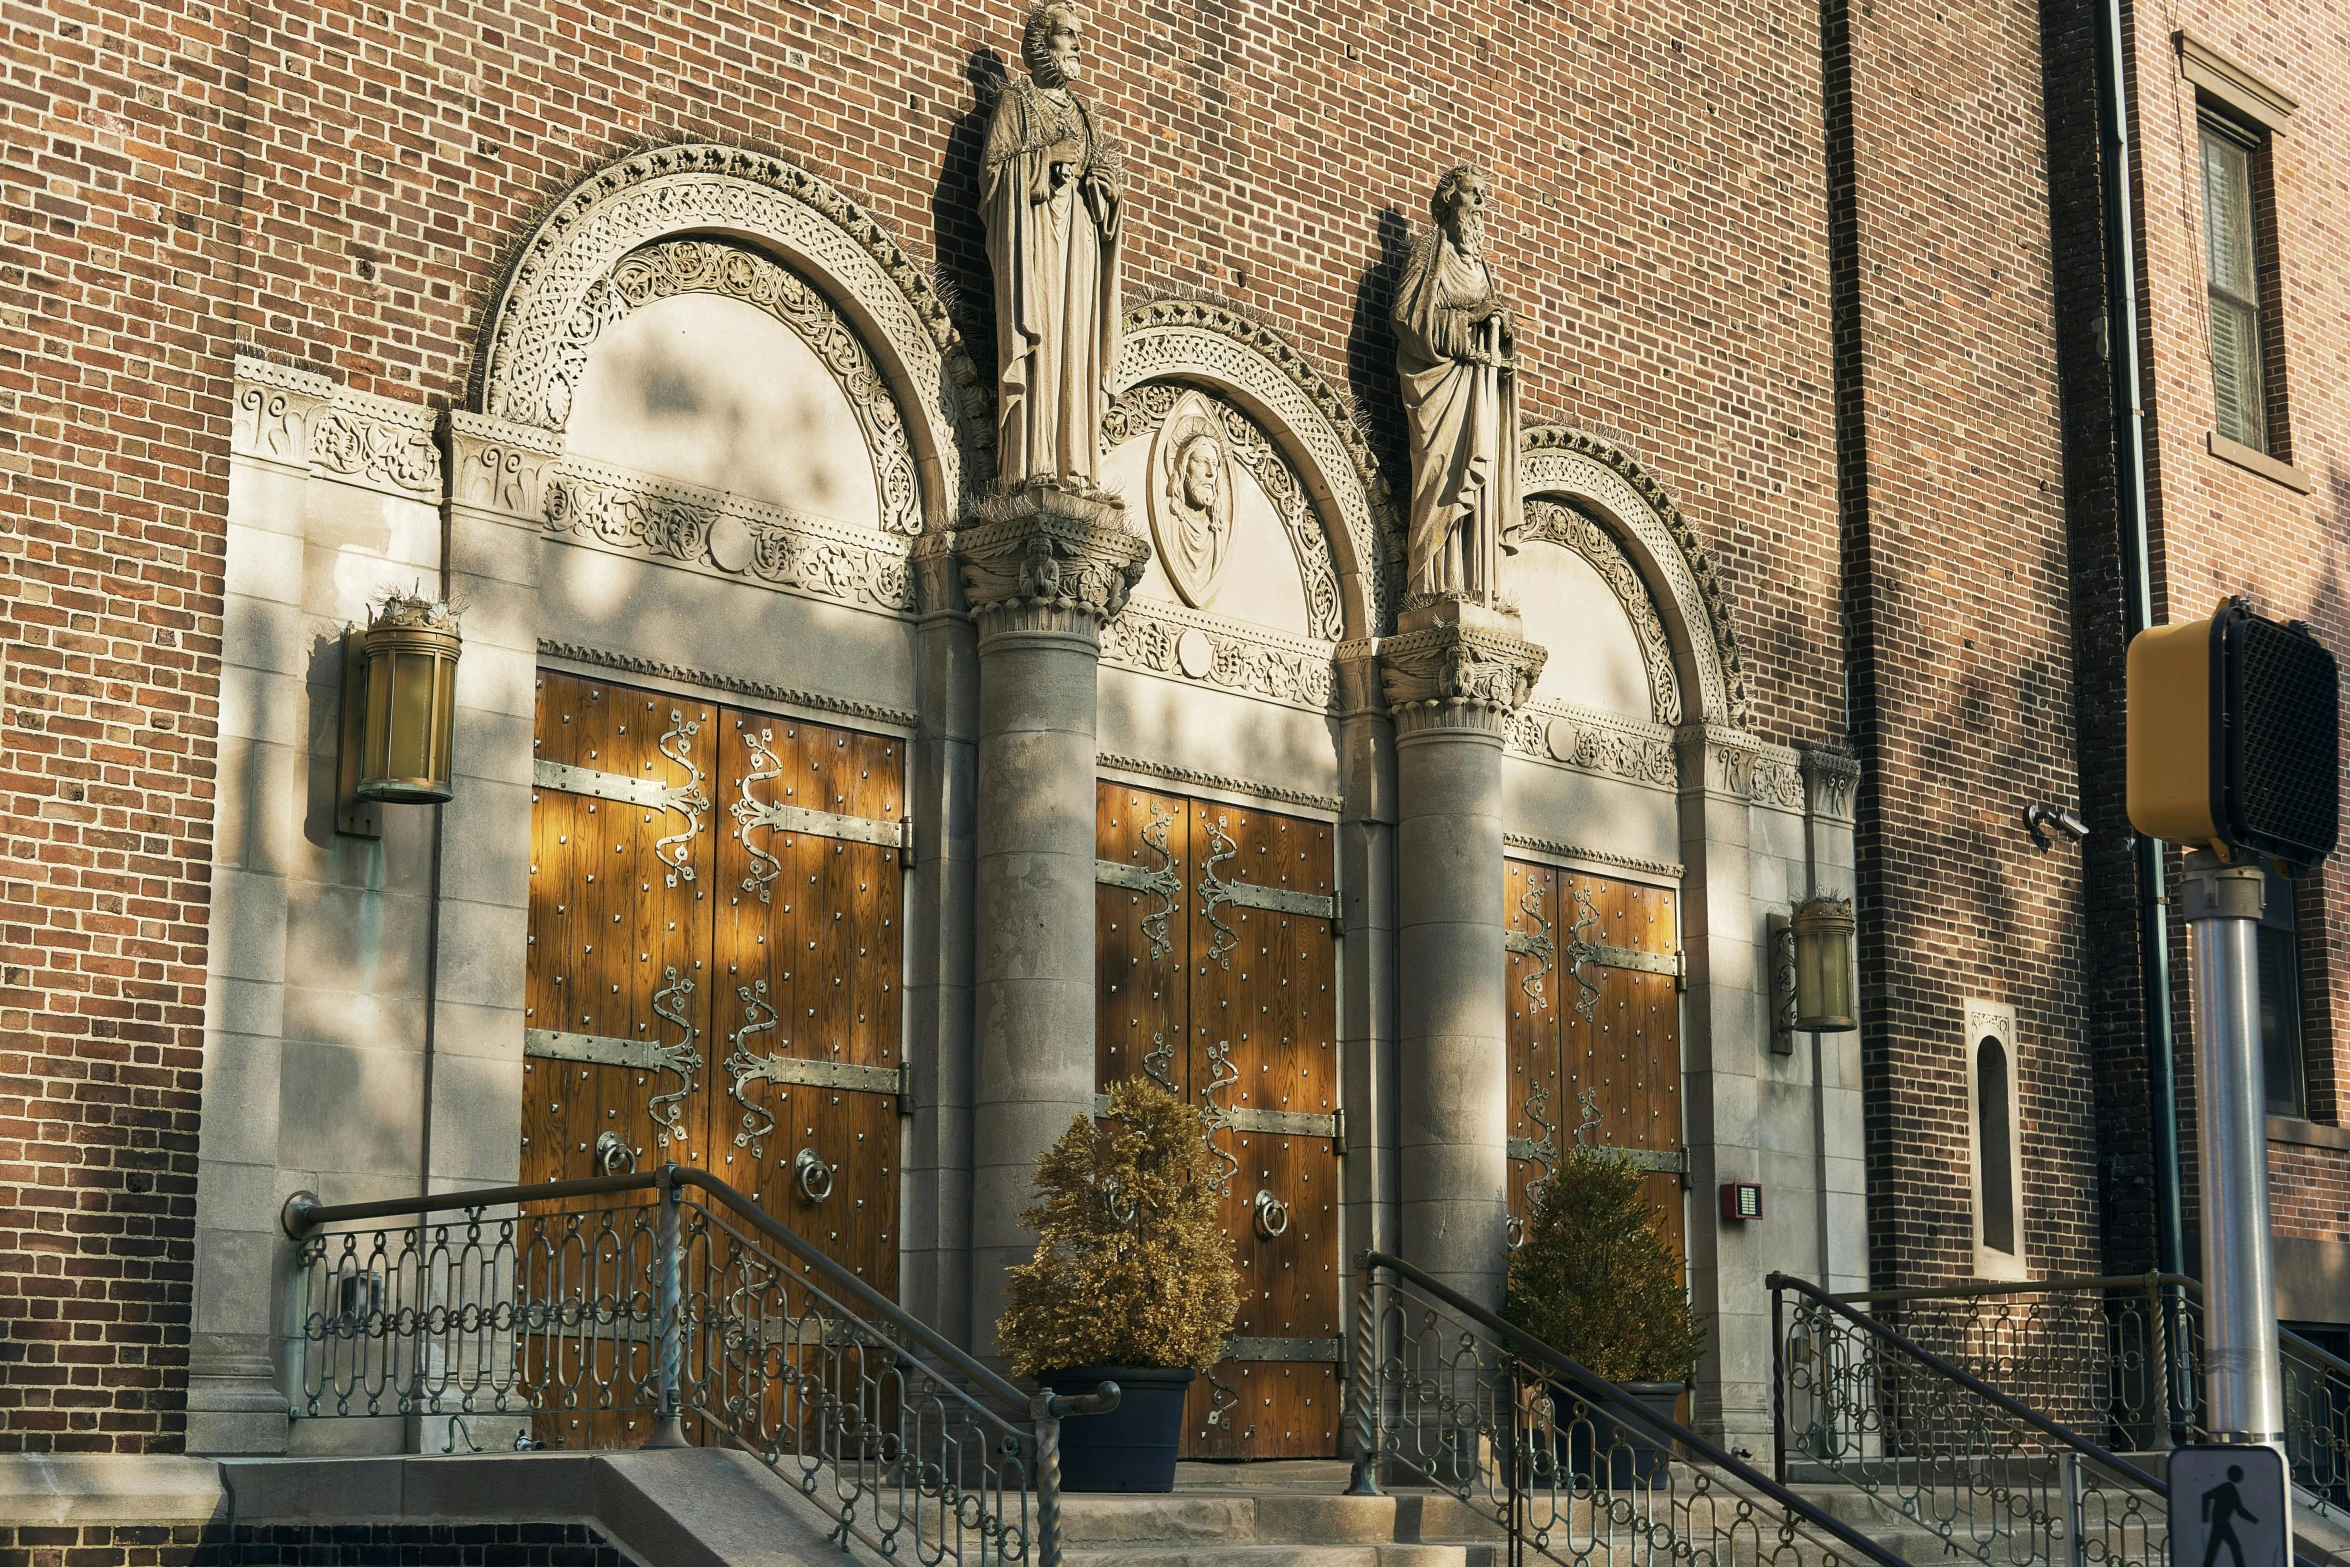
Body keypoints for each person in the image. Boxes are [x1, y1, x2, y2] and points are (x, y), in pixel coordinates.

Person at [980, 1, 1123, 487]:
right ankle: (1033, 462)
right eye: (1068, 33)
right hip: (1036, 238)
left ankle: (1076, 465)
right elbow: (994, 179)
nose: (1079, 44)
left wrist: (1103, 187)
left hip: (1080, 241)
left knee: (1074, 343)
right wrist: (1043, 161)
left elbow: (1103, 181)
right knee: (1041, 339)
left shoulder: (1084, 115)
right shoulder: (1015, 104)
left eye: (1079, 35)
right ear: (1041, 43)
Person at [1393, 163, 1521, 606]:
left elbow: (1488, 319)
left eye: (1484, 195)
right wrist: (1469, 325)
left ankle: (1474, 583)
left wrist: (1501, 331)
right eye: (1473, 193)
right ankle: (1432, 586)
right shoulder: (1431, 252)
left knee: (1477, 483)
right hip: (1440, 387)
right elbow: (1407, 318)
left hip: (1477, 388)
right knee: (1442, 476)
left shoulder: (1482, 266)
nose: (1482, 204)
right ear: (1450, 199)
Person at [2202, 1462, 2258, 1567]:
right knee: (2219, 1549)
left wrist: (2255, 1520)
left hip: (2222, 1522)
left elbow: (2240, 1511)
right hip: (2220, 1522)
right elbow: (2206, 1496)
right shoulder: (2227, 1487)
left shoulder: (2231, 1488)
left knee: (2224, 1548)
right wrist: (2204, 1518)